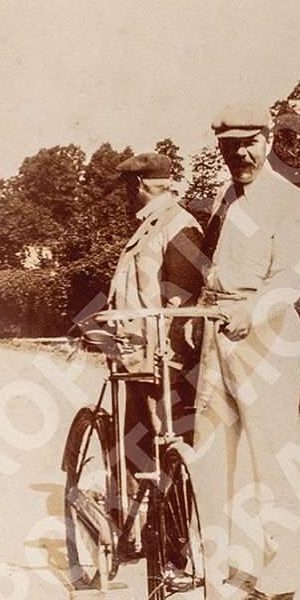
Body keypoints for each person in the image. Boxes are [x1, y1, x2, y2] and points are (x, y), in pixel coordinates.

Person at [193, 102, 300, 600]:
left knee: (271, 454)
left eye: (248, 142)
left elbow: (288, 277)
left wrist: (252, 311)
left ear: (268, 140)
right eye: (228, 145)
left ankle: (278, 575)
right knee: (208, 448)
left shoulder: (290, 201)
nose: (239, 153)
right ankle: (207, 561)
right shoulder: (227, 196)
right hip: (215, 329)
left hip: (266, 337)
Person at [107, 151, 203, 467]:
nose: (123, 195)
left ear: (137, 183)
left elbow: (184, 298)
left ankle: (156, 512)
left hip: (160, 361)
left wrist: (169, 358)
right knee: (136, 442)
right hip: (136, 355)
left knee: (164, 448)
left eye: (125, 186)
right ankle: (131, 508)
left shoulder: (178, 223)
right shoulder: (150, 224)